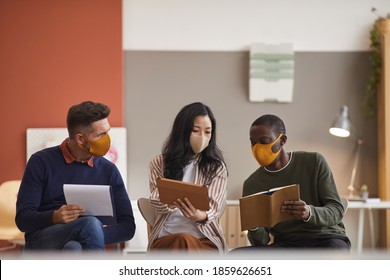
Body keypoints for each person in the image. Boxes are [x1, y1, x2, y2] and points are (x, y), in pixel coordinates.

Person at [16, 101, 136, 250]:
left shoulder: (108, 170)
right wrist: (54, 216)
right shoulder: (40, 161)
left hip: (83, 241)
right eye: (101, 135)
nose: (107, 139)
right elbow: (22, 220)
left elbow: (128, 227)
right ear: (80, 139)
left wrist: (91, 233)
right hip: (43, 240)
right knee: (89, 225)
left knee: (74, 248)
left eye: (108, 132)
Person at [235, 114, 350, 250]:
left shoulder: (314, 162)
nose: (257, 148)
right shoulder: (252, 184)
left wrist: (308, 212)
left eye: (264, 141)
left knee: (334, 255)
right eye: (253, 143)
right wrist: (253, 226)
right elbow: (261, 242)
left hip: (326, 239)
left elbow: (336, 210)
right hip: (286, 244)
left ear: (282, 140)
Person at [148, 102, 228, 253]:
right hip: (167, 239)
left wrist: (200, 215)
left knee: (185, 241)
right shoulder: (159, 163)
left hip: (204, 239)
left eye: (207, 132)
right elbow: (154, 201)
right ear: (182, 131)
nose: (202, 137)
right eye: (196, 130)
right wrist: (170, 201)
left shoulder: (217, 167)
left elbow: (215, 208)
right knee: (182, 240)